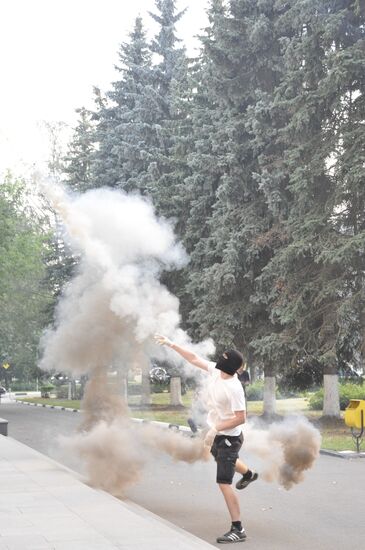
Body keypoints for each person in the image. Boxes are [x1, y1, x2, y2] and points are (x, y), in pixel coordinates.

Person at [154, 334, 258, 544]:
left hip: (229, 438)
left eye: (224, 358)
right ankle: (249, 474)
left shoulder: (235, 388)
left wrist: (216, 429)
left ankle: (238, 528)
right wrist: (172, 344)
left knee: (223, 482)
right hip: (219, 435)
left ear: (230, 365)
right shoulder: (216, 372)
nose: (220, 359)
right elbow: (193, 358)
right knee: (219, 457)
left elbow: (241, 418)